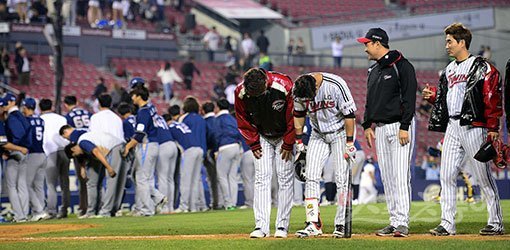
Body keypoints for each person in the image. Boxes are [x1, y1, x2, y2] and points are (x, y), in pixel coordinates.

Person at [423, 23, 504, 236]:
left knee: (483, 176)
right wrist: (433, 98)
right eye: (446, 41)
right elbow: (448, 100)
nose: (446, 45)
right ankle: (447, 223)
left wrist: (493, 126)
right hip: (453, 126)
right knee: (446, 175)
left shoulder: (481, 66)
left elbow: (492, 97)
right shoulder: (449, 69)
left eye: (449, 41)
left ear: (462, 42)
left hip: (474, 126)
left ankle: (495, 222)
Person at [357, 27, 417, 237]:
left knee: (400, 176)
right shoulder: (373, 70)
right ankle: (394, 220)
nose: (364, 48)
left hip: (400, 126)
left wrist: (405, 126)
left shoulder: (401, 65)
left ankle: (402, 222)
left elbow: (410, 97)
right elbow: (370, 100)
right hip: (381, 128)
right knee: (388, 178)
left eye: (367, 43)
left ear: (377, 43)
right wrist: (366, 125)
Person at [292, 72, 357, 238]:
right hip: (317, 134)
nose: (307, 101)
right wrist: (299, 141)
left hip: (340, 132)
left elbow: (350, 115)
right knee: (311, 176)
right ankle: (313, 223)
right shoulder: (299, 88)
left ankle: (341, 223)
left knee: (342, 179)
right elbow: (298, 115)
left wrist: (350, 143)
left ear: (315, 86)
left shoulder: (336, 84)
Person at [234, 68, 295, 238]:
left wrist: (289, 143)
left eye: (259, 94)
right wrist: (253, 143)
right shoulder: (240, 92)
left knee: (284, 178)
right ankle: (261, 226)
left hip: (284, 136)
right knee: (262, 178)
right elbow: (242, 119)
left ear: (266, 84)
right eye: (253, 95)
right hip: (262, 136)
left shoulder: (284, 85)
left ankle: (282, 226)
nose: (256, 97)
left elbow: (293, 115)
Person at [123, 86, 160, 216]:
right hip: (152, 144)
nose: (132, 98)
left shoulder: (143, 111)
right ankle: (157, 199)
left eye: (133, 95)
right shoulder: (149, 109)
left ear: (139, 96)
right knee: (147, 178)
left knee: (142, 178)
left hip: (147, 145)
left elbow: (140, 134)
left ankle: (147, 209)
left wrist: (128, 147)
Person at [40, 98, 71, 219]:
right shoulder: (61, 118)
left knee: (51, 184)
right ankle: (64, 210)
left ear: (40, 108)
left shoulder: (40, 119)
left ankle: (52, 211)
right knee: (65, 183)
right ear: (52, 107)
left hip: (49, 152)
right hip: (64, 150)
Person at [176, 96, 208, 212]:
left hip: (189, 150)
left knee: (185, 179)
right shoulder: (201, 119)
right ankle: (194, 207)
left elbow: (180, 134)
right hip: (200, 150)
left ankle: (183, 206)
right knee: (195, 180)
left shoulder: (184, 118)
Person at [21, 98, 50, 221]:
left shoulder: (26, 120)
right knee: (38, 185)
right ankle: (41, 210)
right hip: (43, 154)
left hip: (32, 154)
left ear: (26, 107)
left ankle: (38, 210)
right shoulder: (40, 120)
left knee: (26, 185)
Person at [3, 93, 30, 222]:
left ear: (11, 103)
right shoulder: (22, 116)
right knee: (22, 185)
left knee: (12, 186)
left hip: (15, 152)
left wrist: (13, 147)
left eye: (6, 103)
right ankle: (24, 213)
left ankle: (19, 216)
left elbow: (18, 135)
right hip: (25, 152)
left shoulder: (12, 117)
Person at [63, 95, 91, 216]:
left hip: (78, 149)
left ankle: (84, 208)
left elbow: (71, 136)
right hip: (91, 145)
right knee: (94, 179)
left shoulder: (69, 116)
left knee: (82, 180)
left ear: (65, 105)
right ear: (77, 101)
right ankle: (96, 205)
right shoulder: (88, 113)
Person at [214, 98, 242, 210]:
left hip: (224, 147)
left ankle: (228, 203)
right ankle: (233, 203)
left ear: (218, 107)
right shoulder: (232, 118)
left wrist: (216, 150)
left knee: (222, 176)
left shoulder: (218, 119)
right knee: (232, 177)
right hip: (236, 147)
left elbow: (216, 135)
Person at [202, 101, 221, 209]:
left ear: (203, 111)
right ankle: (224, 203)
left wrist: (213, 150)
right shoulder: (218, 119)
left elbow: (211, 136)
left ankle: (215, 203)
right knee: (223, 178)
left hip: (212, 151)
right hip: (222, 149)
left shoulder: (206, 121)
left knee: (213, 179)